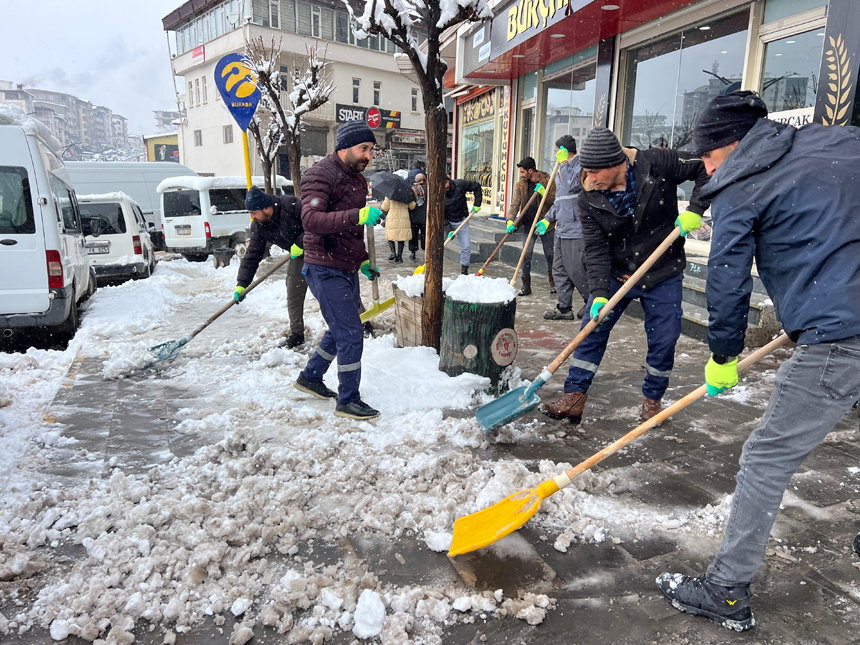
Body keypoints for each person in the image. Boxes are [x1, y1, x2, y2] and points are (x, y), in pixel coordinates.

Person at [657, 92, 860, 631]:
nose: (703, 168)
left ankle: (726, 589)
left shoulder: (744, 183)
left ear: (731, 146)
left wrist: (724, 354)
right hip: (843, 311)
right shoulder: (839, 141)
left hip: (842, 333)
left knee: (765, 458)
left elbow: (726, 282)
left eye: (705, 157)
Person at [541, 127, 709, 424]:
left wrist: (695, 209)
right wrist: (598, 292)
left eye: (594, 172)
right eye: (586, 172)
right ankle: (575, 395)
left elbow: (704, 167)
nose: (589, 179)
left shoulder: (657, 163)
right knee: (592, 329)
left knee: (664, 338)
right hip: (617, 272)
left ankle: (652, 400)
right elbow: (594, 248)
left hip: (662, 270)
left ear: (615, 163)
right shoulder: (588, 198)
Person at [295, 119, 384, 420]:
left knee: (340, 329)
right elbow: (311, 220)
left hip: (345, 265)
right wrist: (357, 214)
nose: (368, 156)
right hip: (324, 266)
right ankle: (348, 399)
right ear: (344, 147)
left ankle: (310, 377)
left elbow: (351, 232)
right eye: (363, 149)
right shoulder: (320, 174)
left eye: (371, 150)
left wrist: (363, 260)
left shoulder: (357, 179)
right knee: (350, 332)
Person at [233, 187, 308, 348]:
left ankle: (361, 322)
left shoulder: (291, 205)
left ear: (267, 209)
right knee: (293, 291)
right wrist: (242, 284)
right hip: (298, 255)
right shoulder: (259, 226)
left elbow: (315, 222)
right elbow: (253, 254)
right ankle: (296, 334)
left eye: (254, 212)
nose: (252, 217)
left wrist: (302, 242)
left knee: (333, 288)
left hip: (320, 248)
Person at [540, 135, 589, 320]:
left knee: (576, 269)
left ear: (563, 151)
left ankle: (590, 301)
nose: (554, 155)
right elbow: (561, 201)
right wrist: (547, 219)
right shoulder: (562, 169)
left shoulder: (579, 167)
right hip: (562, 230)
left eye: (556, 151)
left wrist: (564, 164)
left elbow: (573, 186)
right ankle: (564, 307)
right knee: (559, 269)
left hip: (576, 230)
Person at [505, 157, 556, 296]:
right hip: (528, 224)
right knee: (526, 255)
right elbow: (515, 204)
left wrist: (543, 193)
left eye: (522, 172)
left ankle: (554, 284)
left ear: (530, 170)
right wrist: (510, 220)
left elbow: (555, 202)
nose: (521, 175)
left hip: (545, 224)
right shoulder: (521, 185)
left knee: (550, 255)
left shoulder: (548, 181)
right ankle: (526, 287)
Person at [444, 175, 482, 275]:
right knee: (439, 245)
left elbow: (477, 186)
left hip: (462, 220)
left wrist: (477, 204)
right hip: (447, 222)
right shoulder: (439, 194)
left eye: (445, 183)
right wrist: (449, 230)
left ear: (448, 180)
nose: (445, 187)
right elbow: (441, 216)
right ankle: (435, 267)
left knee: (465, 247)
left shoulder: (459, 184)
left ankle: (464, 270)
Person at [382, 192, 415, 263]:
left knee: (390, 236)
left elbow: (385, 207)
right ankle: (399, 256)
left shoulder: (389, 195)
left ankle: (393, 253)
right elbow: (412, 206)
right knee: (401, 238)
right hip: (403, 218)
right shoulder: (407, 194)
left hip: (392, 218)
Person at [408, 173, 427, 260]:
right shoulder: (428, 189)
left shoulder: (412, 190)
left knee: (413, 235)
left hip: (414, 216)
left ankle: (413, 252)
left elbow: (410, 203)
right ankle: (425, 249)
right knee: (425, 235)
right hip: (425, 217)